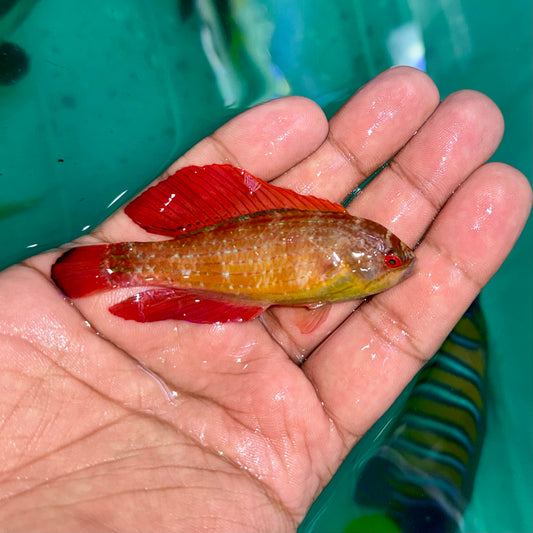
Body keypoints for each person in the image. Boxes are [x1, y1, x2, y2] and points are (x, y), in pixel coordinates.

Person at [0, 67, 530, 532]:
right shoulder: (347, 261)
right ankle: (123, 266)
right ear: (362, 265)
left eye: (393, 261)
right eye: (392, 261)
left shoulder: (346, 256)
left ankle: (127, 266)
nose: (401, 266)